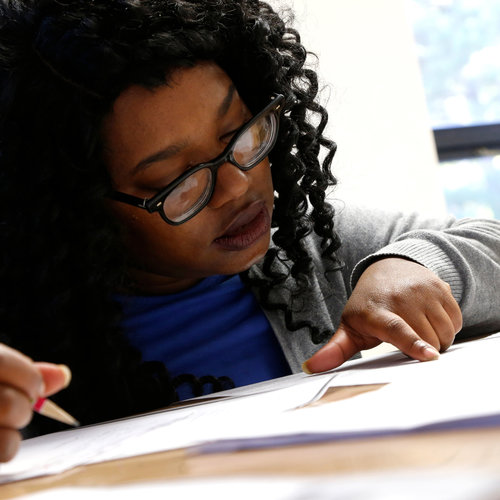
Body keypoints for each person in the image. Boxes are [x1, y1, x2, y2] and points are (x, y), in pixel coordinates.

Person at [0, 0, 498, 463]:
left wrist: (415, 266)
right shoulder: (26, 340)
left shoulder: (314, 251)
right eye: (176, 180)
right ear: (77, 209)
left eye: (239, 134)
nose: (236, 186)